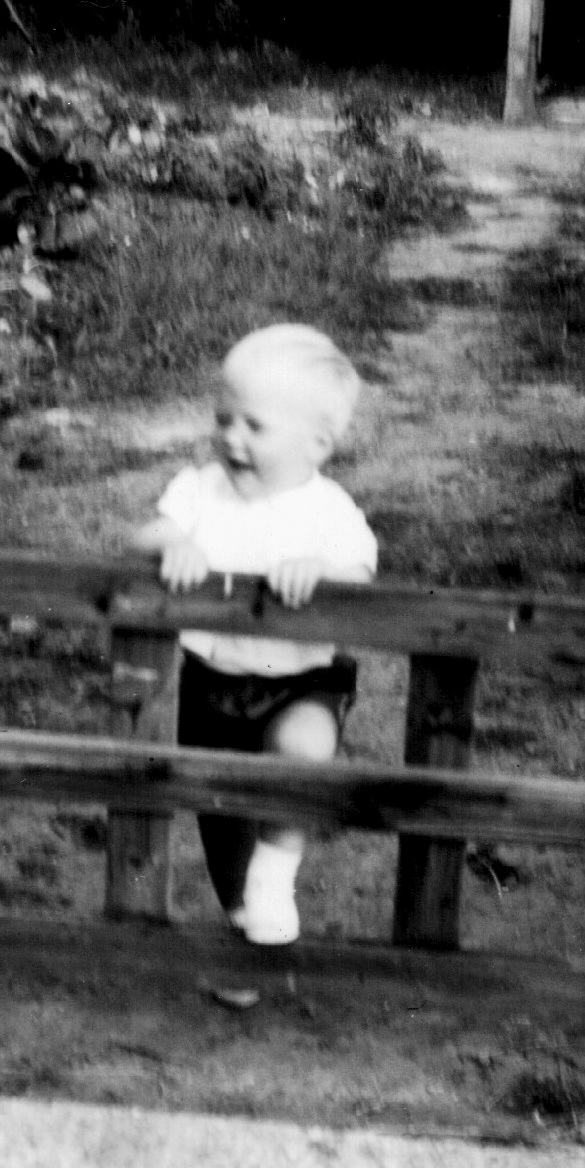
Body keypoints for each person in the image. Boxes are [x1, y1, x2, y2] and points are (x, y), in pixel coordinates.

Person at [130, 324, 377, 946]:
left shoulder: (329, 513)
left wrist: (322, 573)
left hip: (300, 681)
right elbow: (145, 535)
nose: (230, 439)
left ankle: (278, 867)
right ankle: (244, 924)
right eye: (223, 419)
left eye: (255, 427)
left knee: (303, 747)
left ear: (317, 444)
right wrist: (174, 543)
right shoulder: (198, 491)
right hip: (212, 682)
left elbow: (360, 577)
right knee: (222, 817)